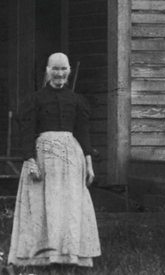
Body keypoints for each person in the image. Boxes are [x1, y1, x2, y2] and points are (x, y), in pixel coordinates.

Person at [8, 53, 101, 268]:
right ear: (47, 71)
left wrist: (89, 163)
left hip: (71, 160)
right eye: (55, 69)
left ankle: (69, 257)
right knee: (43, 206)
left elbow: (83, 133)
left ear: (69, 71)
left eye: (63, 69)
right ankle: (41, 258)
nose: (59, 74)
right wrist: (30, 160)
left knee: (68, 207)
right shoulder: (35, 99)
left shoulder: (77, 101)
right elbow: (27, 132)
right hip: (43, 158)